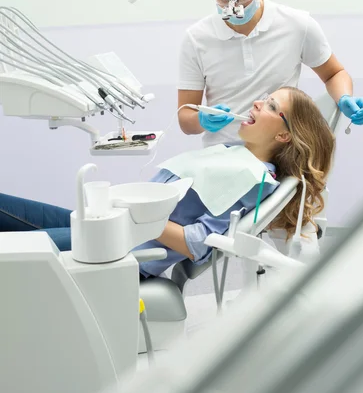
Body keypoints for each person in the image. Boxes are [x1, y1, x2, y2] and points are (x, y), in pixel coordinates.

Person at [0, 87, 335, 277]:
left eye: (272, 105)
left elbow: (198, 244)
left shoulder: (253, 179)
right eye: (265, 97)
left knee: (14, 249)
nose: (259, 102)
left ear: (283, 134)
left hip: (116, 246)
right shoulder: (237, 154)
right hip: (106, 224)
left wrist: (141, 213)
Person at [177, 0, 363, 147]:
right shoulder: (196, 39)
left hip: (279, 156)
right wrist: (202, 121)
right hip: (219, 156)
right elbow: (185, 118)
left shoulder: (297, 25)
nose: (234, 7)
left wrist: (344, 98)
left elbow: (334, 73)